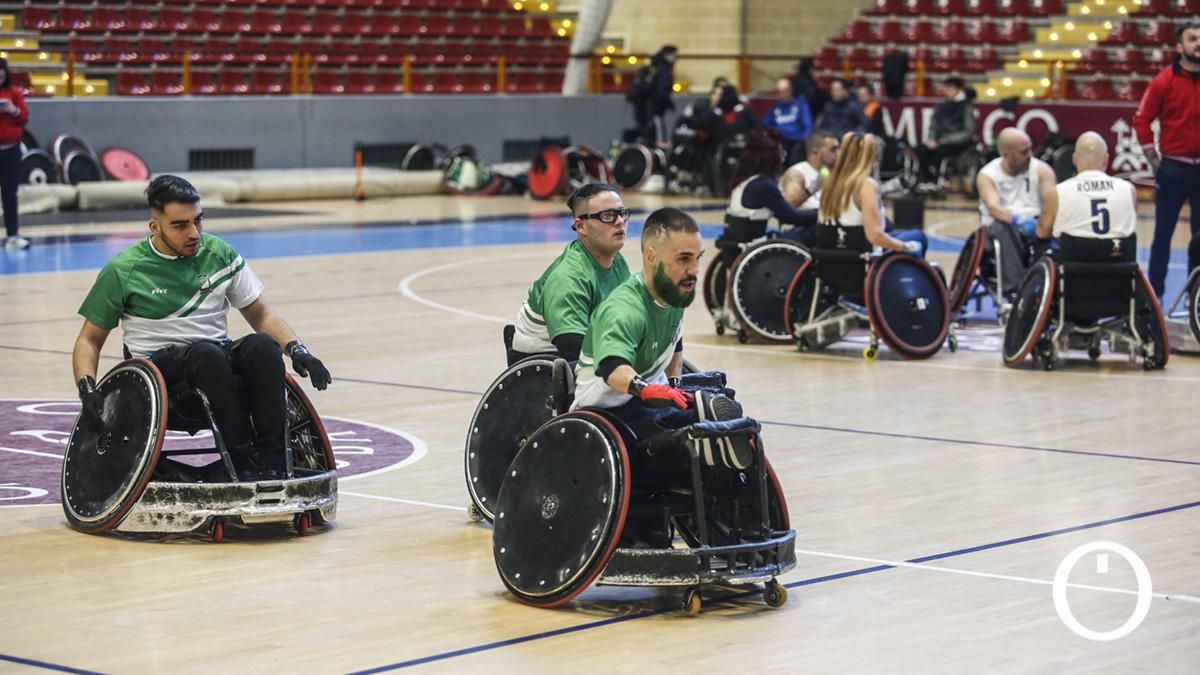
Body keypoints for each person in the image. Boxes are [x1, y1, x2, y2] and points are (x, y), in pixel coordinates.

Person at [71, 175, 331, 481]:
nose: (194, 233)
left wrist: (299, 351)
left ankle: (274, 464)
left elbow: (261, 314)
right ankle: (243, 462)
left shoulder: (220, 254)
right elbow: (89, 340)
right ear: (155, 227)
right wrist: (87, 390)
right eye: (180, 225)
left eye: (198, 221)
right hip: (160, 378)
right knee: (206, 355)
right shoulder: (124, 270)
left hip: (215, 363)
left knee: (262, 347)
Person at [572, 207, 700, 434]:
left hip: (649, 401)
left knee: (717, 409)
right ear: (651, 256)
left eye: (697, 258)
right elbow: (613, 368)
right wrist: (648, 391)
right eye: (683, 259)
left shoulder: (673, 293)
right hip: (608, 411)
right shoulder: (624, 309)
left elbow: (675, 341)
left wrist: (674, 386)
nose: (694, 270)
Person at [509, 183, 631, 364]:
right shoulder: (568, 278)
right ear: (581, 226)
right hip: (546, 362)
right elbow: (573, 349)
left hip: (589, 345)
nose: (620, 221)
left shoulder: (617, 261)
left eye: (622, 213)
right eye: (607, 216)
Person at [1133, 21, 1200, 298]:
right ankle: (1154, 296)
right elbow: (1141, 119)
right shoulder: (1164, 81)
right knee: (1162, 237)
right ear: (1179, 45)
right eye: (1193, 38)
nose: (1199, 43)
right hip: (1172, 169)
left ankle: (1194, 297)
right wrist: (1153, 158)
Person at [976, 127, 1059, 298]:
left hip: (1035, 225)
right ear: (1006, 155)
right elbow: (993, 207)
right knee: (1003, 227)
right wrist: (1017, 220)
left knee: (1053, 228)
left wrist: (1042, 224)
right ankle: (1015, 290)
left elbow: (1052, 203)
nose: (1030, 154)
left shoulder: (1042, 170)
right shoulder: (987, 175)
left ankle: (1053, 286)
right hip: (1001, 228)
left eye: (1030, 148)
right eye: (1023, 151)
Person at [819, 132, 927, 256]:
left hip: (830, 254)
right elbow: (875, 236)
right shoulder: (866, 185)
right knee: (918, 237)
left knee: (898, 234)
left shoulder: (829, 181)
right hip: (862, 257)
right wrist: (905, 247)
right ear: (871, 157)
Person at [1040, 131, 1137, 250]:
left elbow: (1042, 233)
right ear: (1106, 159)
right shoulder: (1128, 189)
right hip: (1118, 262)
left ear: (1074, 159)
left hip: (1074, 265)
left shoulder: (1057, 192)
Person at [724, 131, 818, 252]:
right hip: (754, 248)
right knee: (810, 231)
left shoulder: (743, 181)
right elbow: (792, 217)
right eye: (781, 154)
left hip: (737, 245)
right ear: (772, 159)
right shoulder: (764, 185)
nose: (783, 159)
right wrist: (821, 214)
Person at [916, 77, 977, 186]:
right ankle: (928, 179)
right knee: (920, 150)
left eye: (950, 88)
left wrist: (943, 141)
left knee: (940, 153)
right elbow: (933, 126)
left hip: (958, 144)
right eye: (946, 88)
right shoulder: (941, 107)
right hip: (939, 142)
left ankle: (939, 180)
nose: (947, 91)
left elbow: (968, 132)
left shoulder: (966, 107)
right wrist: (931, 139)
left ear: (958, 90)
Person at [0, 58, 30, 251]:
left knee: (10, 195)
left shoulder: (15, 93)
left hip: (10, 152)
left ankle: (13, 235)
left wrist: (12, 109)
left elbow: (24, 118)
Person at [781, 129, 839, 209]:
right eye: (833, 150)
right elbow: (789, 203)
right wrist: (813, 188)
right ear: (815, 152)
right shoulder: (796, 172)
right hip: (803, 220)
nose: (838, 154)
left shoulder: (830, 172)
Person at [763, 76, 812, 159]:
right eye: (780, 92)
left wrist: (804, 140)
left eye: (785, 91)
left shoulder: (800, 105)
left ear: (790, 90)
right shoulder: (775, 108)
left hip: (797, 142)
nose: (782, 94)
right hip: (780, 142)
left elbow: (808, 126)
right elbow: (766, 125)